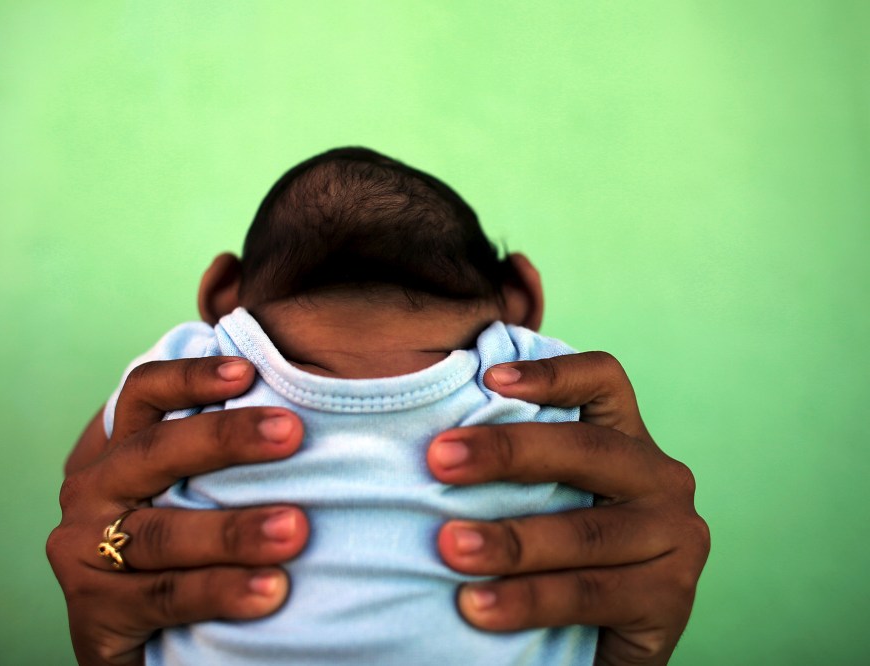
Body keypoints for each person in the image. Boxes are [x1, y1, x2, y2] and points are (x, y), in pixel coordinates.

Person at [47, 150, 711, 666]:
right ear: (522, 298)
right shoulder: (539, 375)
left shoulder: (191, 364)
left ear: (223, 294)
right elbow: (622, 526)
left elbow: (88, 486)